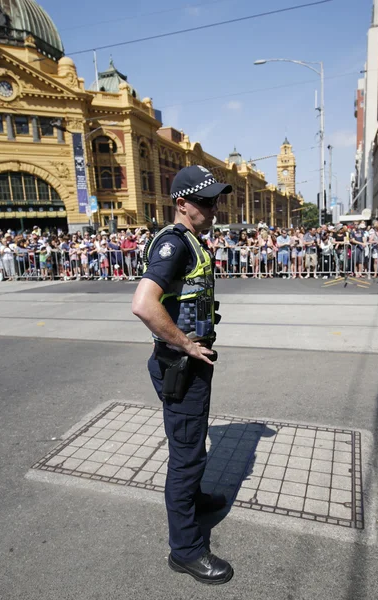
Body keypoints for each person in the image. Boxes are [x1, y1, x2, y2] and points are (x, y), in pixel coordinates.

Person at [132, 165, 234, 585]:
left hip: (192, 365)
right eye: (206, 201)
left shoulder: (192, 240)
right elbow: (143, 303)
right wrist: (186, 344)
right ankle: (186, 551)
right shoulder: (174, 245)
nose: (214, 208)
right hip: (182, 366)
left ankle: (193, 499)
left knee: (191, 446)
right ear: (182, 203)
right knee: (187, 456)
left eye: (216, 200)